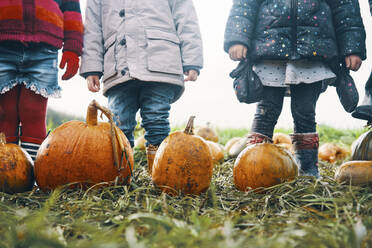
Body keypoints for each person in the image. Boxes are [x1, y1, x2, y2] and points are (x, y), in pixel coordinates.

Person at [224, 0, 366, 177]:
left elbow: (345, 8)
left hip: (313, 51)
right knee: (265, 112)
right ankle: (252, 168)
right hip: (269, 51)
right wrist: (238, 38)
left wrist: (352, 48)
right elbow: (245, 5)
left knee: (305, 112)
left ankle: (307, 171)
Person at [80, 0, 203, 173]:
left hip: (160, 61)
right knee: (118, 123)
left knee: (156, 117)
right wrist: (91, 66)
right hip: (118, 67)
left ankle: (160, 173)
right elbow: (92, 28)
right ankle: (121, 175)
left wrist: (192, 60)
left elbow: (185, 16)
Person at [0, 0, 83, 161]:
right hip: (3, 45)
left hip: (44, 48)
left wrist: (73, 48)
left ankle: (30, 172)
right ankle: (6, 171)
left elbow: (71, 7)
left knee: (33, 112)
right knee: (5, 113)